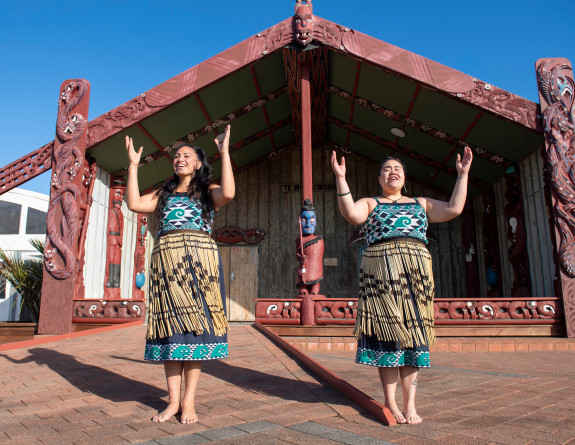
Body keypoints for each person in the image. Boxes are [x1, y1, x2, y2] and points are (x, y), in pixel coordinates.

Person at [331, 146, 472, 424]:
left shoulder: (421, 203)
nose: (392, 172)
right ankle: (391, 403)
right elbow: (352, 215)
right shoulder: (371, 203)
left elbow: (454, 208)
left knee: (412, 340)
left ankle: (410, 405)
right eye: (386, 169)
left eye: (397, 169)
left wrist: (463, 175)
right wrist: (340, 177)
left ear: (404, 176)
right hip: (382, 278)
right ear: (379, 178)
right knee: (388, 339)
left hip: (415, 279)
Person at [125, 124, 235, 424]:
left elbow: (229, 192)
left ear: (198, 163)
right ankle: (173, 401)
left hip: (200, 264)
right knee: (170, 332)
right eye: (176, 155)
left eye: (186, 155)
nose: (179, 158)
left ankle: (188, 402)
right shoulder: (164, 191)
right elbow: (135, 204)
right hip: (168, 264)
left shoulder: (207, 191)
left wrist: (224, 152)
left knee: (195, 331)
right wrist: (133, 167)